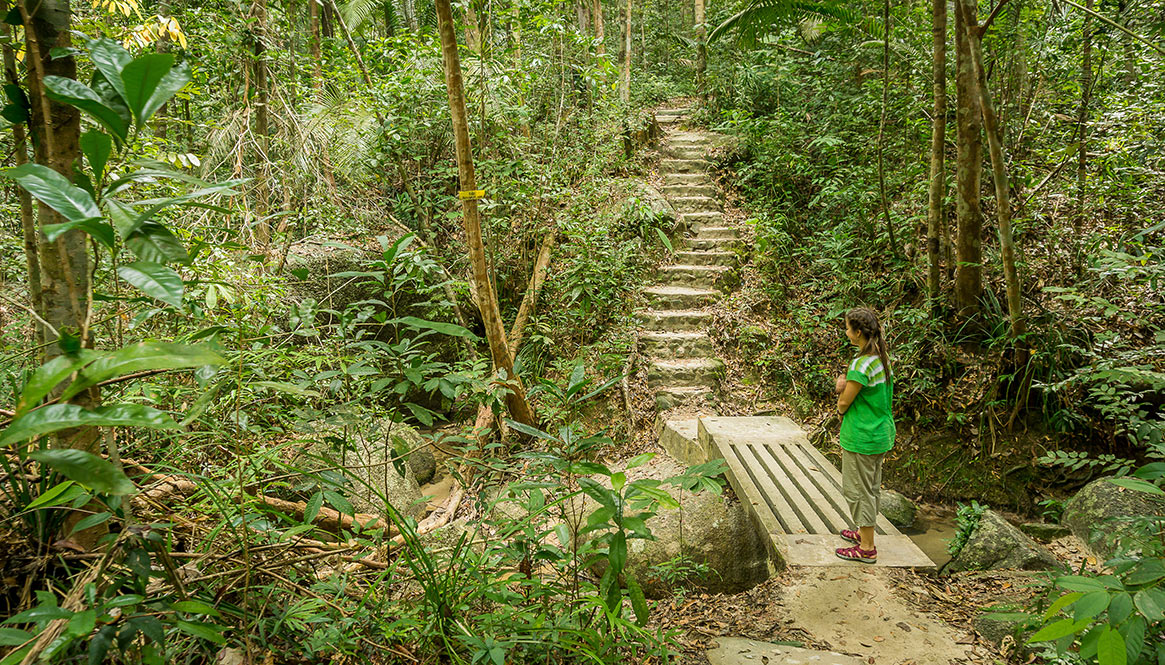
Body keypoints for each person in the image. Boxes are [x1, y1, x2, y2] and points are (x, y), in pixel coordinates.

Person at [832, 307, 895, 563]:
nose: (846, 332)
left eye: (848, 328)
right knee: (870, 487)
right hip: (879, 433)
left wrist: (840, 395)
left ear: (858, 332)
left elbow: (845, 402)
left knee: (858, 491)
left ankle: (867, 547)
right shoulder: (880, 357)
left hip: (862, 437)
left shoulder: (861, 363)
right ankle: (862, 532)